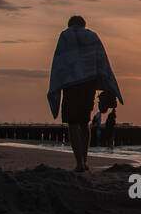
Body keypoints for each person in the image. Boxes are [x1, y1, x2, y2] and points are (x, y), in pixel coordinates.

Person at [47, 15, 123, 172]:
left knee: (73, 124)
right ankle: (85, 160)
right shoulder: (92, 36)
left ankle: (79, 162)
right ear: (84, 24)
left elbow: (58, 62)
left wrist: (56, 85)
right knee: (84, 122)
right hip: (88, 84)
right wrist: (109, 85)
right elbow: (103, 61)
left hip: (71, 84)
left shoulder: (65, 36)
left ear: (70, 25)